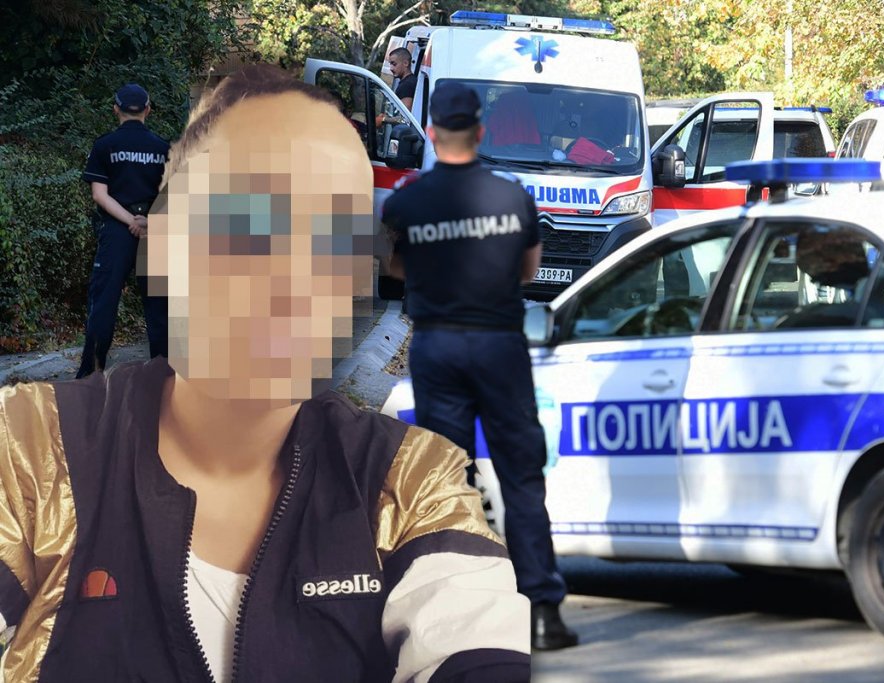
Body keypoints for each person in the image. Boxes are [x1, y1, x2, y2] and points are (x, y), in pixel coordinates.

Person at [0, 64, 529, 682]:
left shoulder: (409, 480)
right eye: (249, 224)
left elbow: (475, 636)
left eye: (337, 235)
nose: (296, 274)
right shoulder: (31, 449)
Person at [382, 81, 579, 651]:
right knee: (521, 475)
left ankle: (457, 614)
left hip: (438, 347)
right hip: (498, 345)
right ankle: (542, 613)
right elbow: (528, 271)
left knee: (446, 478)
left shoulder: (407, 201)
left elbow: (393, 265)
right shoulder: (512, 197)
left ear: (433, 132)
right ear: (480, 131)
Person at [77, 83, 170, 378]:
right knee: (160, 309)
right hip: (153, 233)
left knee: (104, 302)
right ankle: (164, 379)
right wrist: (147, 222)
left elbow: (99, 195)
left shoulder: (105, 146)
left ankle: (91, 376)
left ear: (115, 109)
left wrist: (129, 220)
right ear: (148, 110)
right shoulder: (164, 148)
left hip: (116, 231)